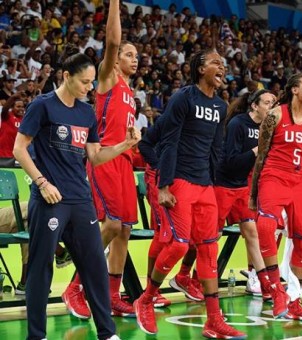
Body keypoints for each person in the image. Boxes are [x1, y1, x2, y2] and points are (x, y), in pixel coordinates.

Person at [12, 52, 140, 340]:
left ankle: (107, 334)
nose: (89, 88)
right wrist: (42, 183)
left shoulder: (85, 112)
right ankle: (37, 335)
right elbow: (19, 149)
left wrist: (125, 145)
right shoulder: (42, 106)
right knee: (40, 268)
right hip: (50, 201)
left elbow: (95, 157)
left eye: (92, 83)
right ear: (67, 77)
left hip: (81, 201)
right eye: (84, 82)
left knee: (95, 266)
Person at [133, 49, 246, 339]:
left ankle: (213, 320)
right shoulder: (185, 97)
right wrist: (163, 185)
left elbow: (216, 149)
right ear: (199, 70)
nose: (221, 67)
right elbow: (167, 142)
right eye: (215, 63)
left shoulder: (220, 106)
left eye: (222, 63)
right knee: (179, 246)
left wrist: (214, 184)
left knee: (209, 249)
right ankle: (146, 299)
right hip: (179, 181)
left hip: (205, 185)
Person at [62, 0, 139, 319]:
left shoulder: (131, 92)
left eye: (136, 56)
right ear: (116, 59)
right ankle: (75, 287)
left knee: (124, 231)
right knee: (111, 224)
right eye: (129, 54)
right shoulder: (107, 78)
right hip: (104, 160)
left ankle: (109, 295)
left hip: (124, 161)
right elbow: (111, 39)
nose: (134, 59)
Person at [250, 73, 302, 320]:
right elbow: (261, 155)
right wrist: (254, 193)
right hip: (274, 176)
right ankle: (276, 290)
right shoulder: (275, 115)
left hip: (300, 181)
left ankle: (296, 301)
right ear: (294, 90)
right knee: (266, 226)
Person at [214, 89, 276, 299]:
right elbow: (230, 161)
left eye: (273, 103)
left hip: (243, 186)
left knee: (252, 233)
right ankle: (196, 279)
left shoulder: (268, 129)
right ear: (254, 106)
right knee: (213, 235)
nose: (271, 106)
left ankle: (264, 282)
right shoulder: (238, 124)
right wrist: (257, 151)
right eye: (267, 102)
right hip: (223, 184)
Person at [138, 117, 204, 306]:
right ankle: (151, 289)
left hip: (185, 176)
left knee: (196, 233)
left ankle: (183, 276)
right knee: (162, 234)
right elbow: (144, 145)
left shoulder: (201, 120)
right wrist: (160, 166)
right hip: (160, 178)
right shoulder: (168, 121)